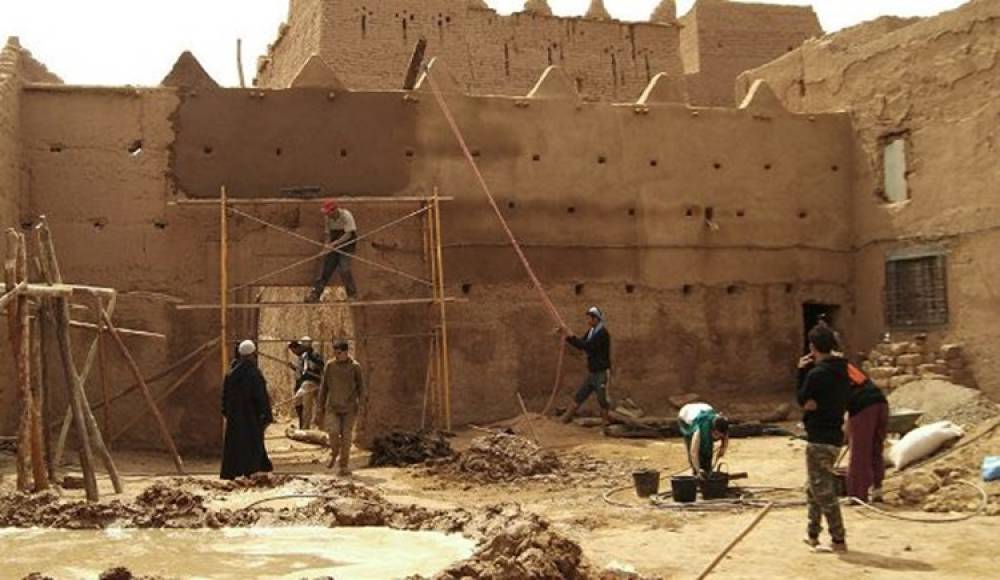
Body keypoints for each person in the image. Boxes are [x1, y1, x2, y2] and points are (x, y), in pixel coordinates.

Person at [797, 324, 851, 553]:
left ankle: (838, 538)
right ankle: (813, 534)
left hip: (819, 437)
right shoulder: (843, 370)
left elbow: (804, 401)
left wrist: (800, 372)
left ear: (812, 347)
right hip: (834, 436)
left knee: (823, 491)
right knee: (813, 488)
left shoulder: (817, 374)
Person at [220, 340, 274, 480]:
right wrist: (267, 415)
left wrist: (226, 412)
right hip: (251, 416)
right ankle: (251, 469)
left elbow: (225, 396)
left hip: (234, 416)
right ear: (252, 355)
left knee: (234, 443)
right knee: (253, 442)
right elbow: (261, 396)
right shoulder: (254, 374)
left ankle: (232, 472)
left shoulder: (230, 374)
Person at [317, 339, 365, 475]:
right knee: (333, 432)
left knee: (346, 437)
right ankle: (334, 452)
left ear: (346, 352)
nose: (337, 355)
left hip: (349, 408)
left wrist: (361, 405)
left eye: (339, 353)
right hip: (333, 407)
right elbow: (324, 387)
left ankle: (343, 465)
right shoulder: (330, 366)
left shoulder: (355, 367)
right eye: (335, 353)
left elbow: (362, 388)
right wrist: (319, 407)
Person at [845, 363, 889, 503]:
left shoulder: (824, 371)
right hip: (880, 402)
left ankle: (857, 495)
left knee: (859, 452)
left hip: (863, 407)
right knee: (875, 449)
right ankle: (877, 490)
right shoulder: (846, 366)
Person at [561, 306, 612, 425]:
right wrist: (568, 336)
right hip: (593, 373)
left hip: (601, 373)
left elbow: (587, 346)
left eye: (590, 318)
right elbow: (581, 344)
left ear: (596, 319)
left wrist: (570, 335)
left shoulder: (602, 333)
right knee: (580, 395)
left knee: (602, 400)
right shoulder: (591, 332)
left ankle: (605, 424)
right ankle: (564, 419)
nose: (588, 320)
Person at [306, 200, 358, 302]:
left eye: (328, 212)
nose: (326, 214)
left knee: (344, 269)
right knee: (326, 270)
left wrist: (334, 244)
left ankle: (352, 295)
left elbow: (349, 234)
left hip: (347, 244)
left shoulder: (346, 215)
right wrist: (326, 246)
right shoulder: (328, 218)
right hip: (334, 244)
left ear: (334, 210)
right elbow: (328, 234)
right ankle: (315, 294)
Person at [677, 402, 730, 478]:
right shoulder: (699, 430)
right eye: (716, 435)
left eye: (720, 436)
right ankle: (696, 472)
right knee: (697, 446)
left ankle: (707, 469)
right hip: (685, 417)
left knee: (707, 446)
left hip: (704, 409)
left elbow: (725, 441)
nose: (718, 438)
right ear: (712, 430)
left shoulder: (722, 425)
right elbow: (693, 452)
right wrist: (698, 471)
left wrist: (721, 452)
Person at [286, 337, 325, 429]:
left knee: (308, 407)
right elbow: (303, 371)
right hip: (305, 384)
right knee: (297, 401)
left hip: (313, 383)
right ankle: (303, 423)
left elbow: (320, 365)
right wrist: (294, 368)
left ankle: (306, 427)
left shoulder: (314, 355)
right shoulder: (303, 357)